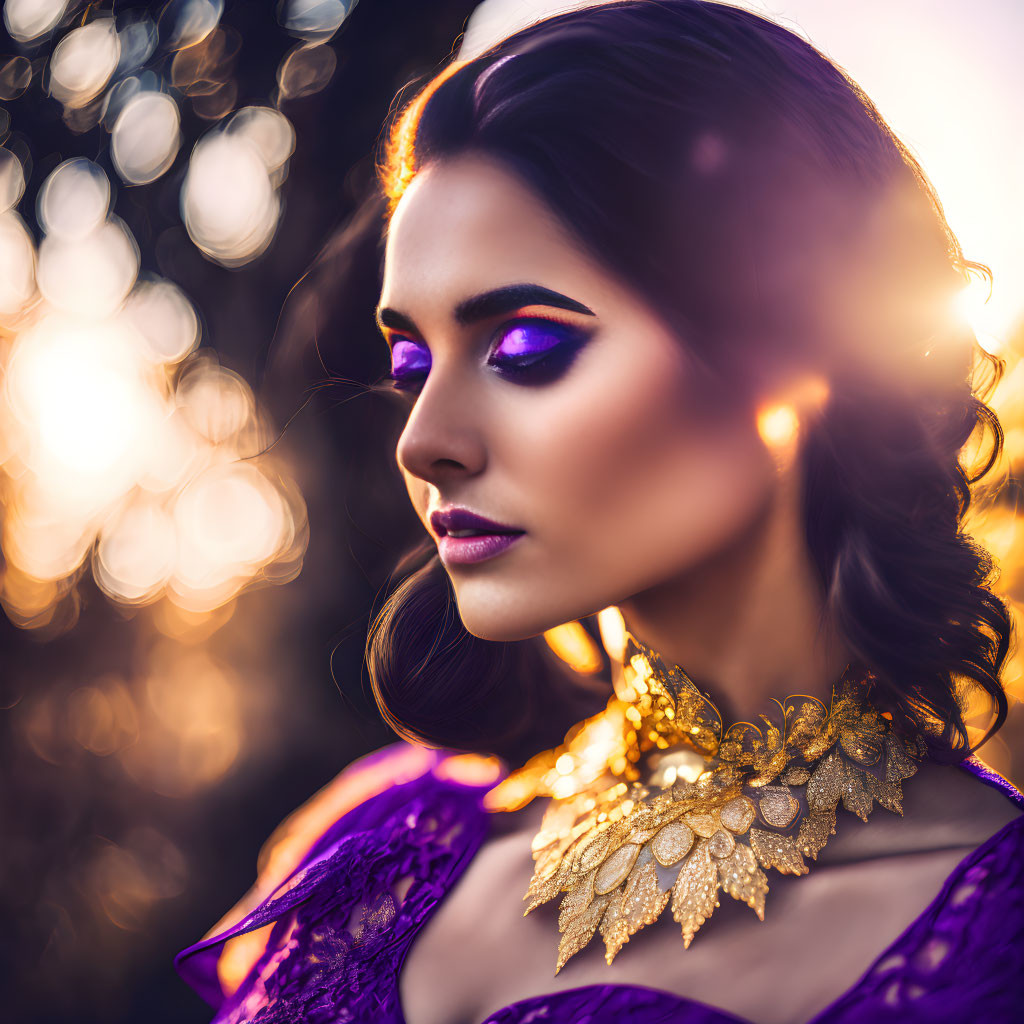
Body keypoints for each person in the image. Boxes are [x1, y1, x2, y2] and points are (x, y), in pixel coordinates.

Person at [175, 2, 1024, 1021]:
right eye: (410, 364)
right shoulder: (379, 847)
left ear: (794, 360)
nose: (422, 439)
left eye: (526, 348)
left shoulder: (989, 938)